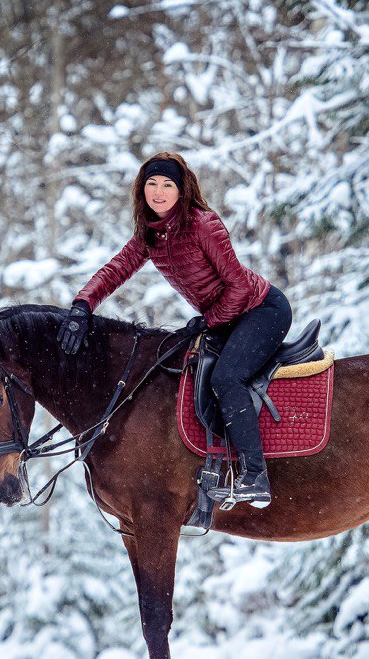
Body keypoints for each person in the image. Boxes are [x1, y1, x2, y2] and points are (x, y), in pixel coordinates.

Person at [56, 152, 291, 507]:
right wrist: (83, 304)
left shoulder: (202, 225)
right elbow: (117, 268)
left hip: (261, 311)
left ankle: (255, 475)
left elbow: (239, 287)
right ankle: (209, 471)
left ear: (182, 191)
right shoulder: (151, 234)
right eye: (152, 184)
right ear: (142, 189)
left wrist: (210, 321)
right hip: (225, 316)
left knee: (226, 378)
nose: (159, 191)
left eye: (168, 184)